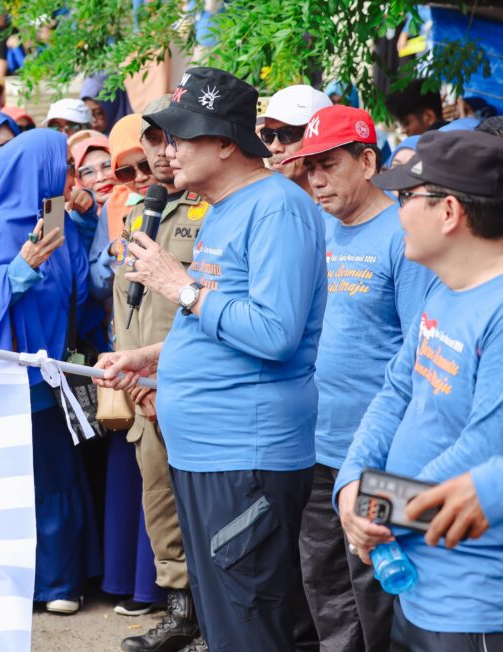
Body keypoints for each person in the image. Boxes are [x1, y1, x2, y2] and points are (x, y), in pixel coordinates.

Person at [96, 67, 326, 651]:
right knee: (226, 622)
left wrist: (180, 286)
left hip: (245, 455)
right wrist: (152, 357)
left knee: (254, 625)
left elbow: (276, 333)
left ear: (226, 142)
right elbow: (218, 323)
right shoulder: (222, 207)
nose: (167, 152)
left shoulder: (275, 208)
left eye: (181, 136)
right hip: (205, 452)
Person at [275, 105, 434, 652]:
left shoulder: (404, 235)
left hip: (378, 455)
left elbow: (418, 356)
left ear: (367, 161)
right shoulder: (314, 228)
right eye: (309, 166)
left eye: (329, 164)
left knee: (379, 588)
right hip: (313, 449)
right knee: (323, 585)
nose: (315, 179)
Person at [336, 130, 503, 648]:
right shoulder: (442, 290)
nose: (395, 210)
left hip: (469, 600)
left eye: (406, 197)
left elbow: (482, 450)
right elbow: (394, 394)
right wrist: (351, 487)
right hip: (413, 576)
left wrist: (376, 509)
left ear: (449, 211)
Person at [0, 129, 98, 614]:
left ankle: (60, 581)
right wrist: (21, 268)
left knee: (57, 480)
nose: (71, 175)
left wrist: (84, 227)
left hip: (53, 381)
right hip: (9, 383)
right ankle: (14, 585)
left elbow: (82, 296)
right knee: (11, 485)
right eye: (62, 165)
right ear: (34, 171)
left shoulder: (58, 221)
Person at [88, 100, 205, 652]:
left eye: (168, 141)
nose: (160, 154)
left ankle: (218, 618)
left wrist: (164, 378)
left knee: (206, 509)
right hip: (143, 390)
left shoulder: (213, 212)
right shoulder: (140, 213)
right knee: (158, 505)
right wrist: (133, 379)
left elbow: (206, 307)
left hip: (192, 388)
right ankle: (180, 614)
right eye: (151, 143)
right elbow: (125, 308)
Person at [258, 84, 332, 196]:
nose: (274, 147)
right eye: (267, 135)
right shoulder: (265, 202)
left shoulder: (340, 209)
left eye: (288, 134)